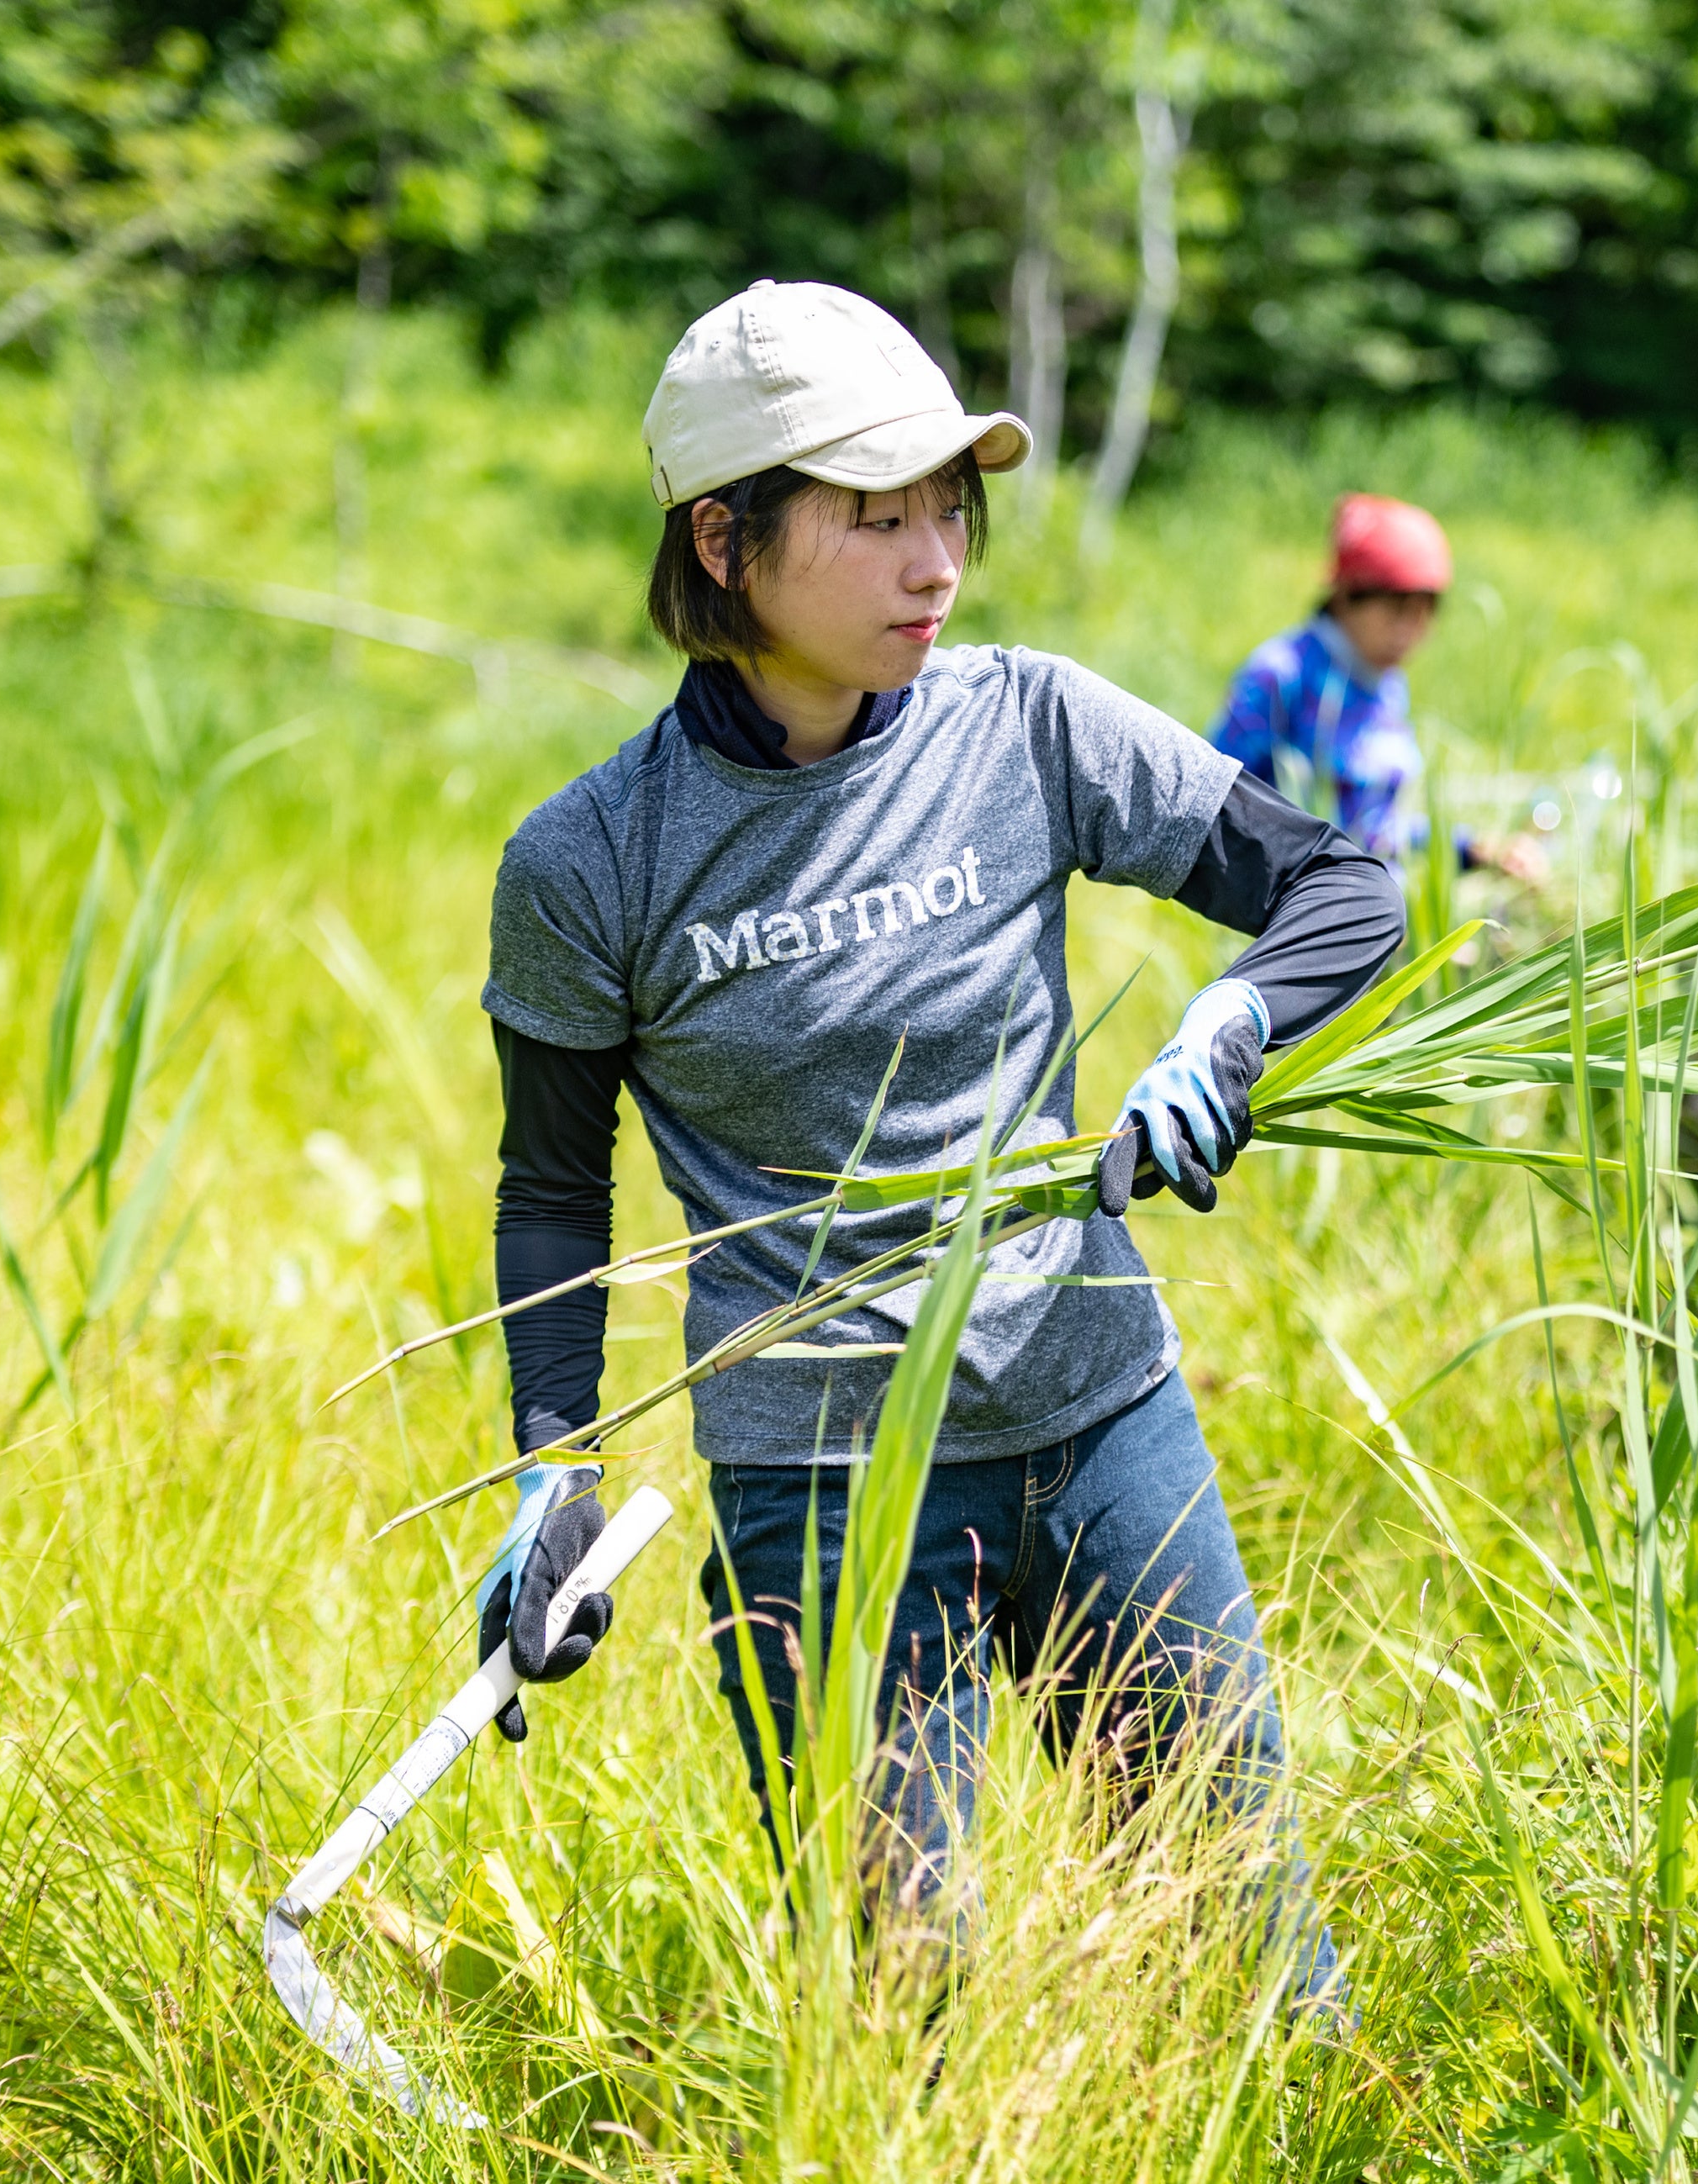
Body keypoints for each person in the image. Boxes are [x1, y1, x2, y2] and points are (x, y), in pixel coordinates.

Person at [473, 280, 1401, 2007]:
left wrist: (1234, 1020)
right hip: (818, 1484)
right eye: (877, 517)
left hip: (1097, 1411)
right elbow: (551, 1191)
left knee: (1252, 1945)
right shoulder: (592, 858)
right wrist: (557, 1468)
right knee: (904, 1988)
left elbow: (1342, 886)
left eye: (949, 510)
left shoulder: (1029, 723)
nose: (936, 563)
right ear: (726, 540)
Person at [1213, 494, 1543, 880]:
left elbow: (1377, 832)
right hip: (1300, 905)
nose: (1409, 632)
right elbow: (1215, 805)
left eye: (1423, 615)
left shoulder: (1385, 684)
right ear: (1346, 597)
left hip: (1375, 900)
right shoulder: (1281, 676)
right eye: (1396, 611)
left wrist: (1471, 850)